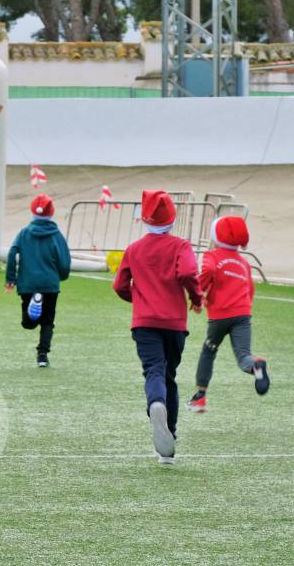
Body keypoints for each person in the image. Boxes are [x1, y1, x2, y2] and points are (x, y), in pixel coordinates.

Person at [111, 191, 202, 466]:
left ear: (144, 219)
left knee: (154, 371)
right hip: (174, 323)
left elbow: (119, 285)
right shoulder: (181, 246)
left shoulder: (134, 249)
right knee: (170, 376)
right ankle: (168, 444)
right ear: (172, 219)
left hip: (144, 323)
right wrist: (196, 298)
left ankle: (155, 405)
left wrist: (137, 300)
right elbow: (187, 273)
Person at [188, 216, 269, 412]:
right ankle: (256, 366)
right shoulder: (244, 263)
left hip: (219, 316)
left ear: (216, 237)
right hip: (243, 315)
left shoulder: (211, 256)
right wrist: (243, 308)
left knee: (209, 350)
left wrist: (198, 297)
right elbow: (250, 290)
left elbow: (206, 272)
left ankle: (200, 397)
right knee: (243, 357)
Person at [4, 194, 72, 368]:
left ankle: (32, 312)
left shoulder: (24, 232)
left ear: (32, 211)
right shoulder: (56, 235)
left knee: (28, 324)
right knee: (48, 321)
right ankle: (42, 355)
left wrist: (11, 278)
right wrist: (61, 276)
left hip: (28, 283)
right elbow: (64, 260)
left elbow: (12, 252)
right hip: (49, 284)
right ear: (52, 212)